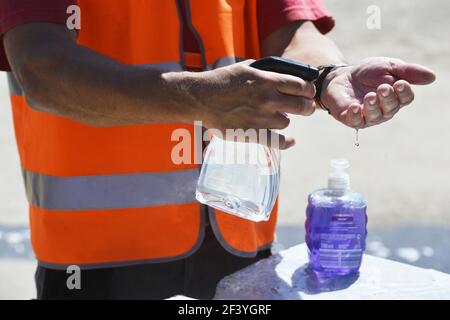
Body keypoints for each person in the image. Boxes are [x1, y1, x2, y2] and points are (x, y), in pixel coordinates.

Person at [0, 0, 435, 299]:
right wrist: (199, 98)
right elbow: (43, 70)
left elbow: (288, 27)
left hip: (239, 240)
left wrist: (325, 77)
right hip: (94, 265)